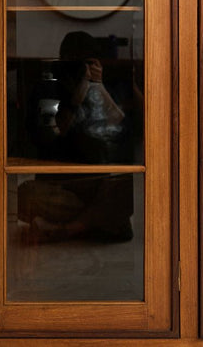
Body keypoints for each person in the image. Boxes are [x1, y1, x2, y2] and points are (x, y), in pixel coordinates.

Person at [17, 31, 136, 243]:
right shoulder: (48, 86)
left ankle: (64, 229)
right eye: (76, 63)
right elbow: (50, 136)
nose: (81, 69)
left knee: (126, 185)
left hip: (94, 182)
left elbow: (122, 126)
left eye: (87, 63)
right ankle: (95, 223)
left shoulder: (99, 87)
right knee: (24, 195)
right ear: (62, 61)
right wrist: (75, 100)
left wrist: (98, 86)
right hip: (57, 185)